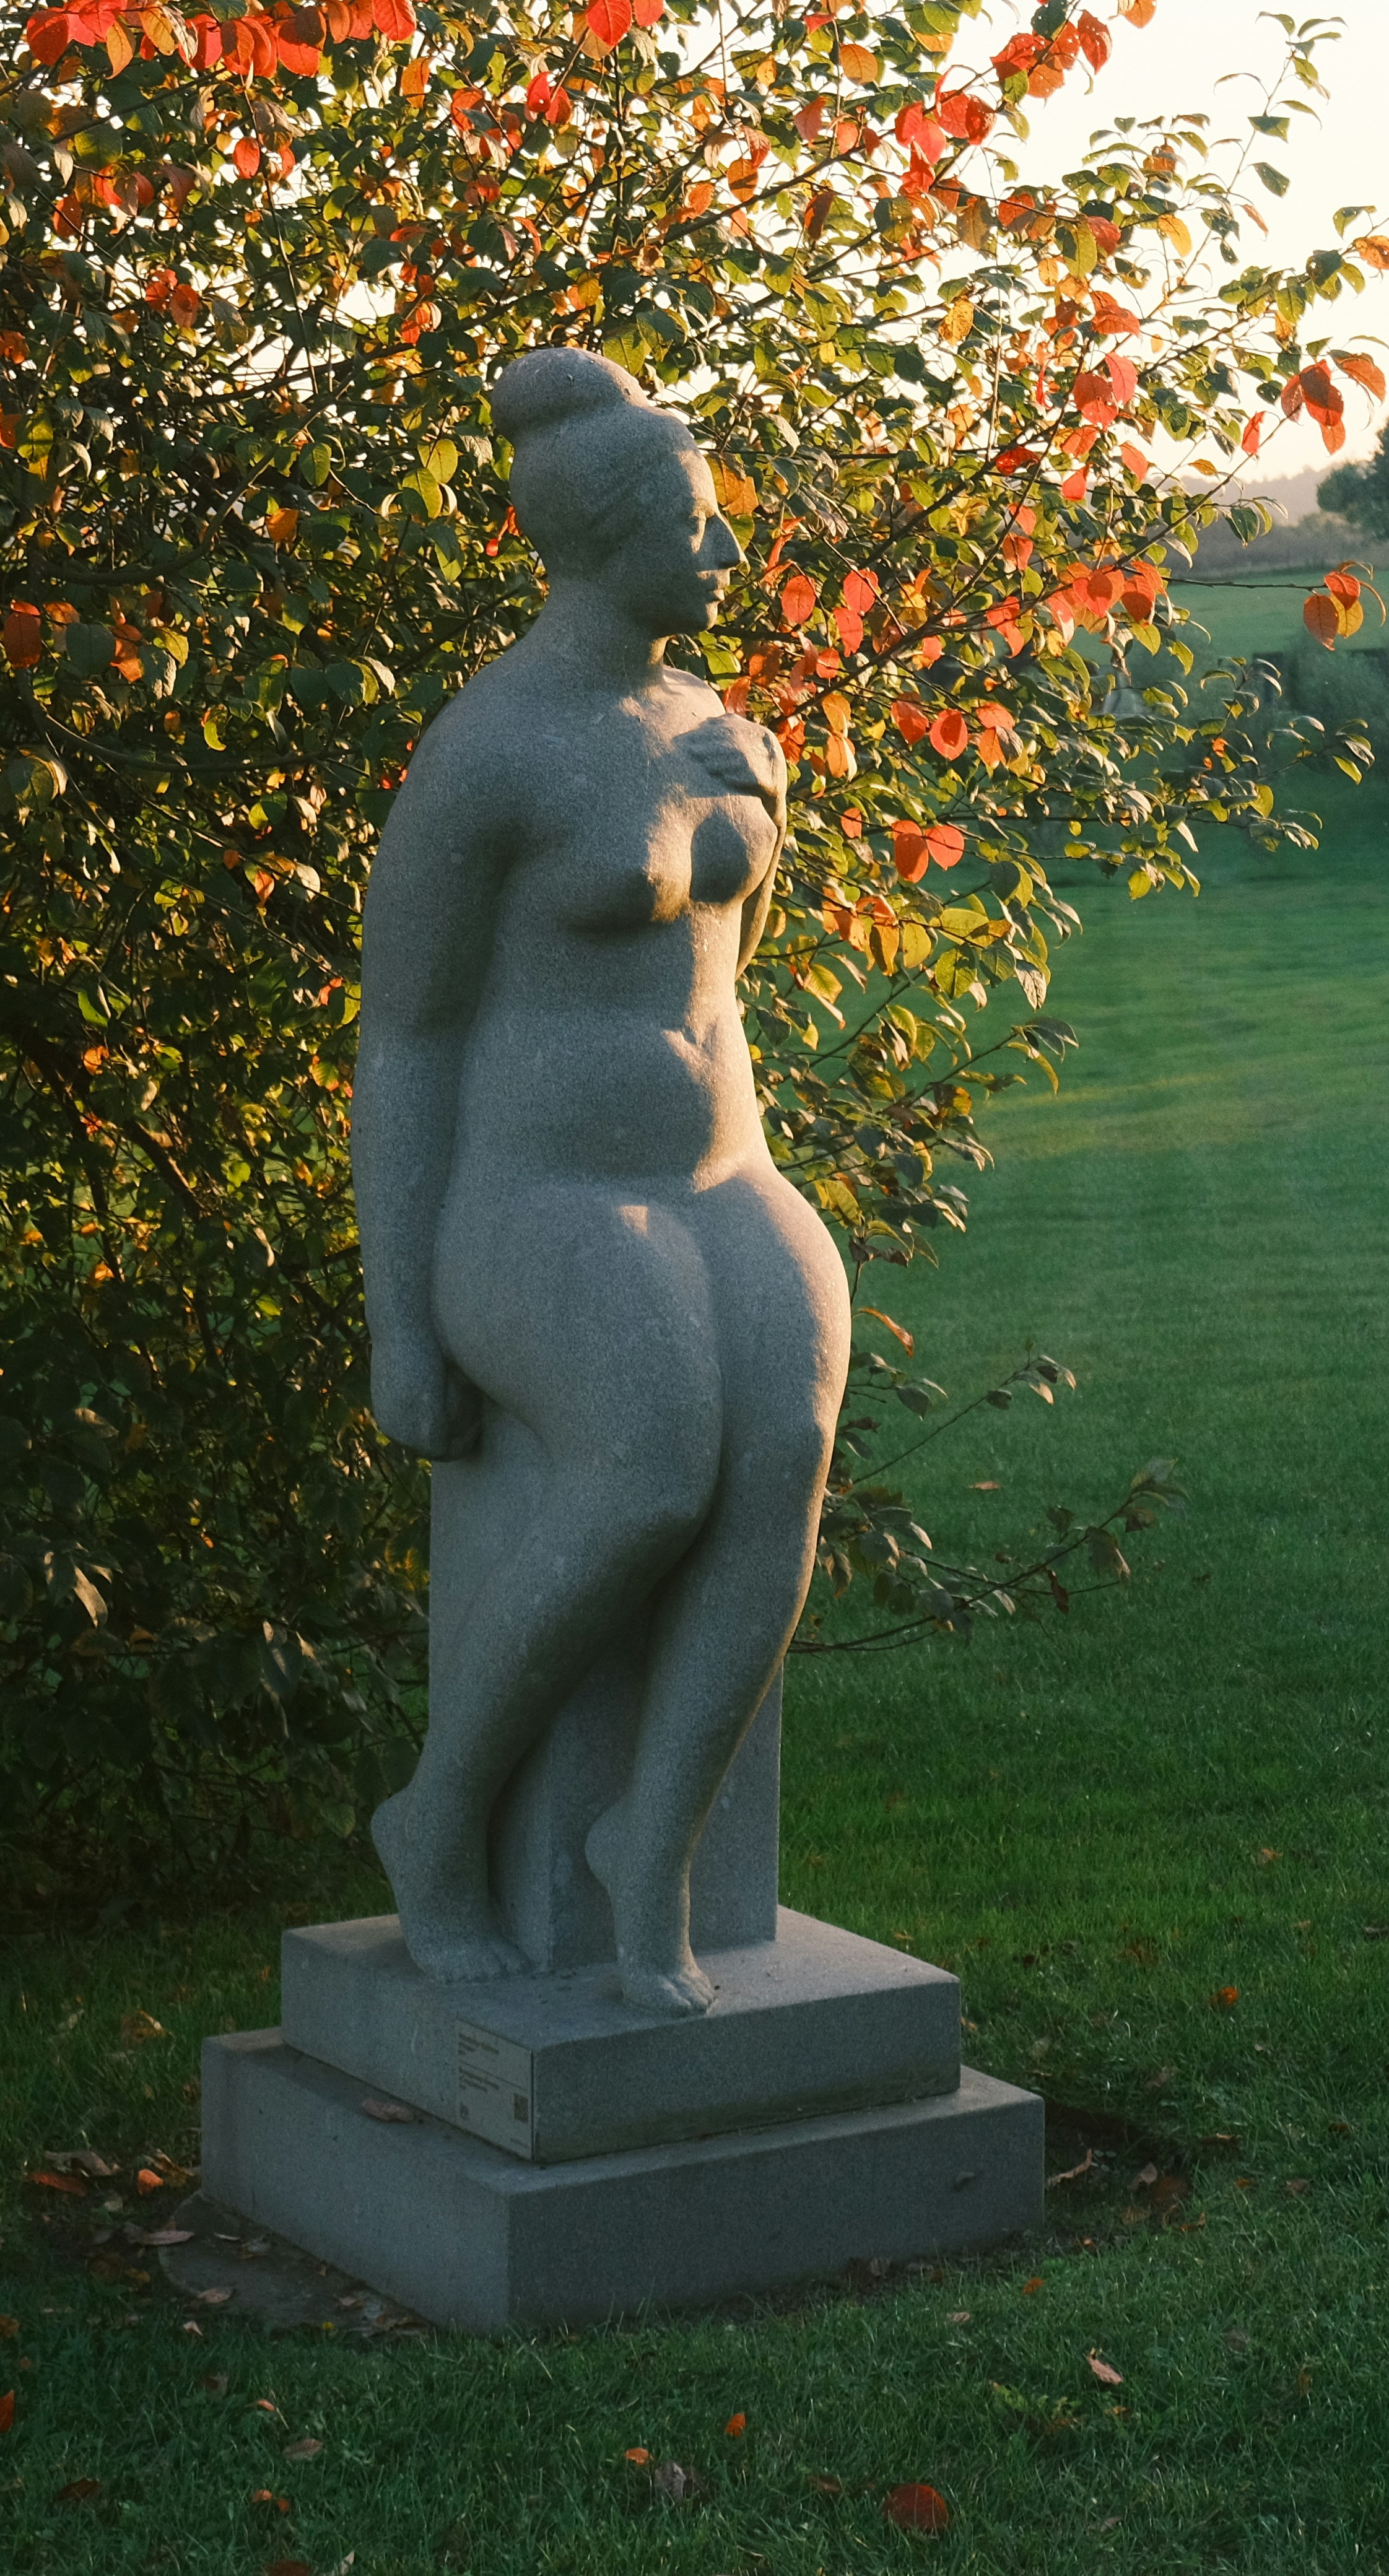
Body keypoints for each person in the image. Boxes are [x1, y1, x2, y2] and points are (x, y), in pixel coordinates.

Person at [351, 350, 845, 2017]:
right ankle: (441, 1820)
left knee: (781, 1450)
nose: (728, 562)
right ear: (602, 535)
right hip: (536, 1201)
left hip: (723, 1174)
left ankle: (654, 1848)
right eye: (701, 531)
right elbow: (407, 1042)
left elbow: (722, 979)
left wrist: (745, 824)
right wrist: (399, 1312)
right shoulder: (492, 754)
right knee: (649, 1465)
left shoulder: (722, 728)